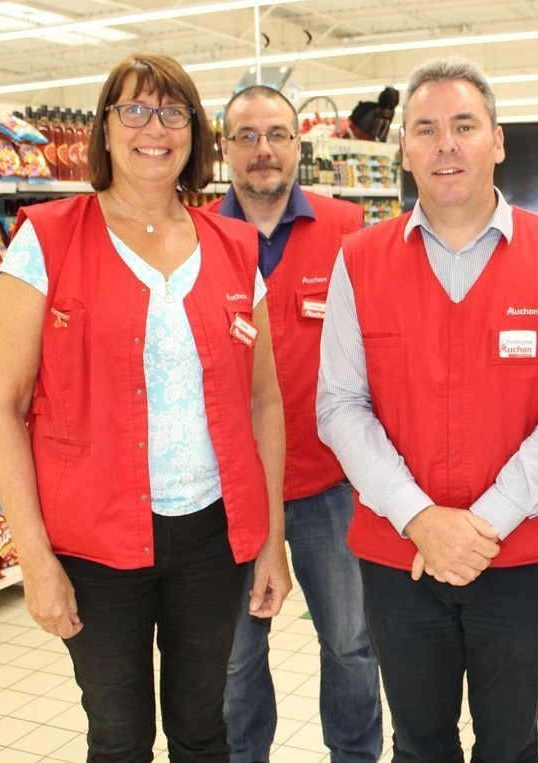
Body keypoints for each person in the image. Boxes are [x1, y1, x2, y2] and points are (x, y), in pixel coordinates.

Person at [0, 53, 291, 762]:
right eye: (134, 109)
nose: (154, 127)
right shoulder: (48, 241)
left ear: (194, 132)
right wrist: (34, 557)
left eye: (173, 111)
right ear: (106, 128)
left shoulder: (235, 246)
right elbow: (1, 407)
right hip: (95, 543)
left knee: (203, 727)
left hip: (212, 536)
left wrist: (271, 536)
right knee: (118, 736)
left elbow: (263, 400)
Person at [316, 56, 538, 763]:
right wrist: (420, 518)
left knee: (510, 744)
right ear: (406, 149)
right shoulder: (359, 260)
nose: (446, 144)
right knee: (419, 744)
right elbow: (339, 406)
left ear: (498, 141)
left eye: (464, 126)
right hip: (398, 558)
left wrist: (480, 527)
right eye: (426, 129)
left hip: (518, 554)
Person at [215, 85, 383, 763]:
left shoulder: (349, 230)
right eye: (247, 135)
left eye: (278, 134)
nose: (264, 150)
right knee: (233, 657)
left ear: (297, 145)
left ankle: (355, 755)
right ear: (225, 148)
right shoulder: (198, 235)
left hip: (329, 484)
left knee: (349, 642)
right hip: (228, 489)